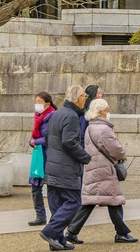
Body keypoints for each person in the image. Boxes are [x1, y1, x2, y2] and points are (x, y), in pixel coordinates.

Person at [65, 98, 138, 245]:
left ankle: (72, 231)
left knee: (91, 201)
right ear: (100, 112)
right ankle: (121, 233)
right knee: (113, 200)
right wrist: (123, 153)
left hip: (94, 167)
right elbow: (117, 150)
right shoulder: (104, 129)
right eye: (107, 110)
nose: (108, 113)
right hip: (105, 169)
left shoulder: (90, 127)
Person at [40, 85, 91, 251]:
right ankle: (50, 232)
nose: (86, 98)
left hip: (53, 166)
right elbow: (69, 142)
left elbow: (47, 138)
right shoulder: (71, 116)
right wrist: (85, 157)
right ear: (77, 98)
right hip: (65, 168)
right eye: (84, 95)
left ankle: (57, 240)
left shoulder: (57, 114)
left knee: (57, 205)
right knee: (73, 202)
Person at [28, 92, 57, 226]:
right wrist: (32, 141)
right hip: (39, 155)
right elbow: (34, 135)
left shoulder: (53, 116)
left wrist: (37, 141)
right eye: (36, 101)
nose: (37, 104)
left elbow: (52, 138)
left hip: (49, 155)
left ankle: (56, 217)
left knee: (52, 187)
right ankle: (40, 215)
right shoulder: (38, 117)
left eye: (39, 101)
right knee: (35, 186)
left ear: (47, 103)